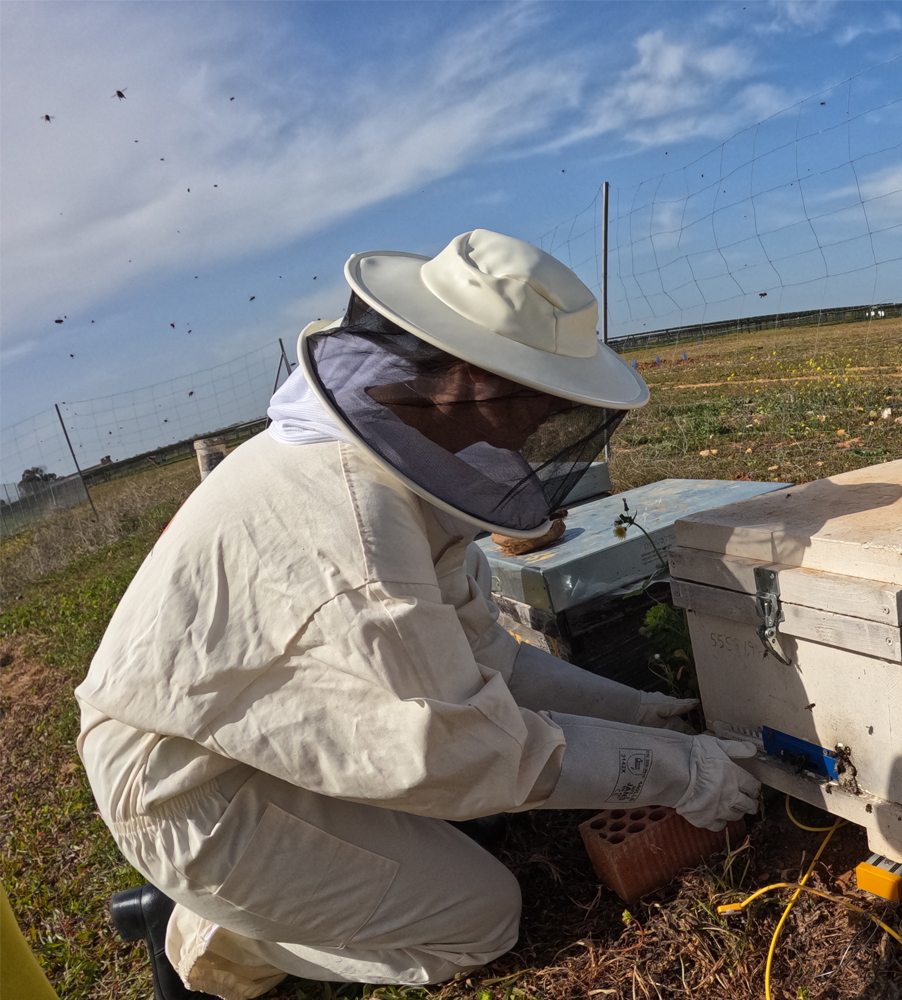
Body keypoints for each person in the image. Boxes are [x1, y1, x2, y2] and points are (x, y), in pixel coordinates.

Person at [75, 230, 763, 1000]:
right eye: (542, 394)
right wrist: (673, 773)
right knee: (477, 918)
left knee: (480, 825)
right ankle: (215, 934)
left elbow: (492, 664)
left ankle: (282, 888)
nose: (547, 422)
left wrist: (646, 714)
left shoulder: (393, 476)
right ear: (472, 380)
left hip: (244, 739)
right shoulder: (354, 526)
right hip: (192, 791)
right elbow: (456, 749)